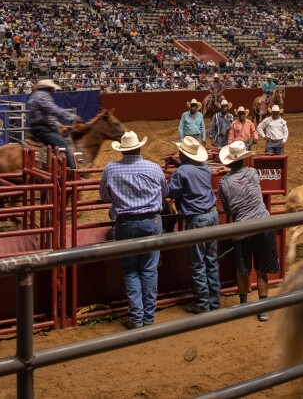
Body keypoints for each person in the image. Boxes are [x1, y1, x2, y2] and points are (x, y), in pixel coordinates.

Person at [99, 131, 167, 329]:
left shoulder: (111, 169)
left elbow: (104, 196)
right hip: (151, 222)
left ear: (122, 151)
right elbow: (164, 192)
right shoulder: (154, 168)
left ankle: (136, 318)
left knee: (130, 270)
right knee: (149, 269)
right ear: (140, 147)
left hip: (126, 223)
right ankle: (148, 316)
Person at [217, 141, 279, 321]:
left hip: (242, 229)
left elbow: (228, 210)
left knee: (243, 269)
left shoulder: (224, 184)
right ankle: (263, 308)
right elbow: (246, 178)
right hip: (263, 225)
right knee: (262, 270)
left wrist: (227, 174)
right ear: (244, 159)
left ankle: (244, 304)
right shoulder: (253, 173)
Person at [167, 137, 221, 314]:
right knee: (211, 260)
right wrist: (177, 163)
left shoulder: (181, 172)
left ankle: (202, 304)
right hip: (212, 215)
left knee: (198, 263)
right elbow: (190, 172)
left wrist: (176, 168)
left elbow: (172, 192)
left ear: (184, 154)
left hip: (196, 219)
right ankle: (214, 301)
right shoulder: (204, 168)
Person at [27, 79, 82, 169]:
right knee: (62, 144)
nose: (53, 91)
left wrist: (58, 125)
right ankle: (73, 170)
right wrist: (72, 116)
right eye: (52, 89)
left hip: (41, 127)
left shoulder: (37, 95)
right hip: (42, 128)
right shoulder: (42, 96)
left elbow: (47, 114)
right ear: (48, 88)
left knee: (63, 140)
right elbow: (53, 110)